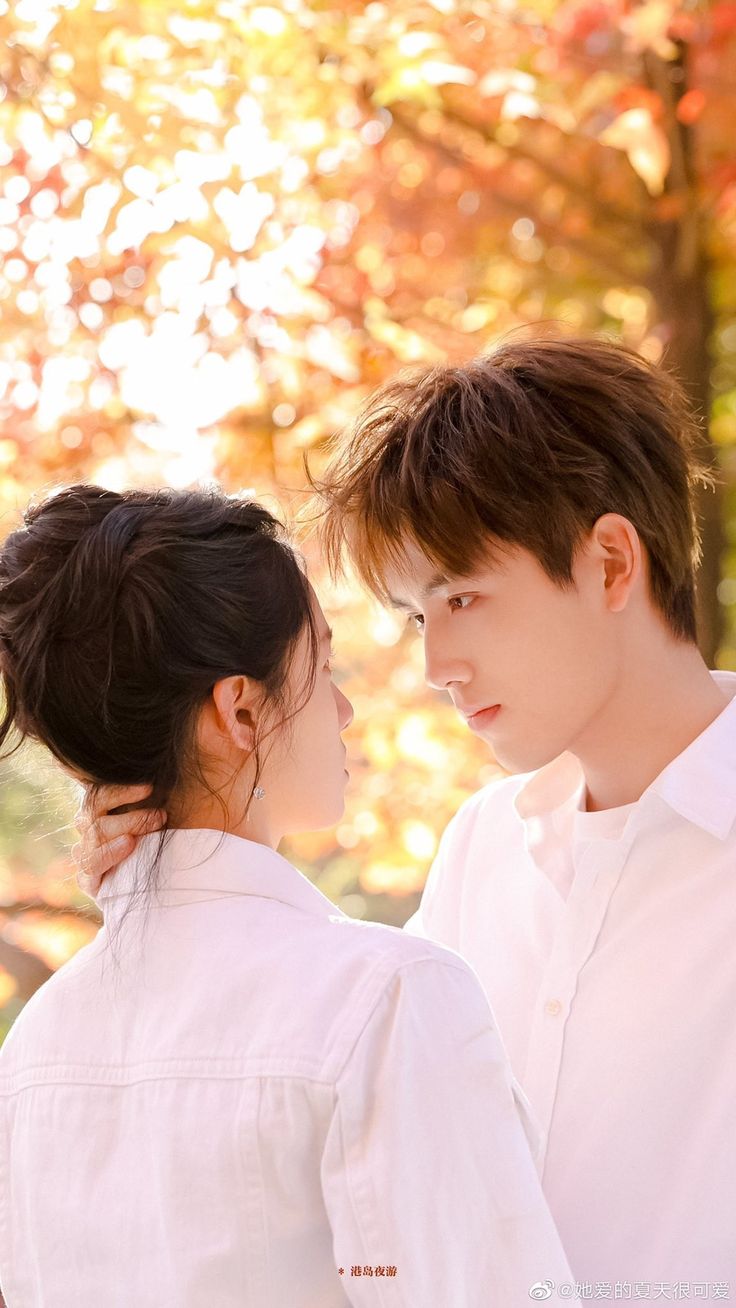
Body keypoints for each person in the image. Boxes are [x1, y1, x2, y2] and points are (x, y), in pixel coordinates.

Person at [82, 333, 736, 1296]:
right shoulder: (484, 849)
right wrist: (175, 885)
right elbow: (336, 1067)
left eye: (462, 596)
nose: (436, 668)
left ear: (607, 563)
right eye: (416, 618)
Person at [0, 484, 575, 1308]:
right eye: (323, 665)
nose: (342, 709)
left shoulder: (36, 1049)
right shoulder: (385, 1000)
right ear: (238, 709)